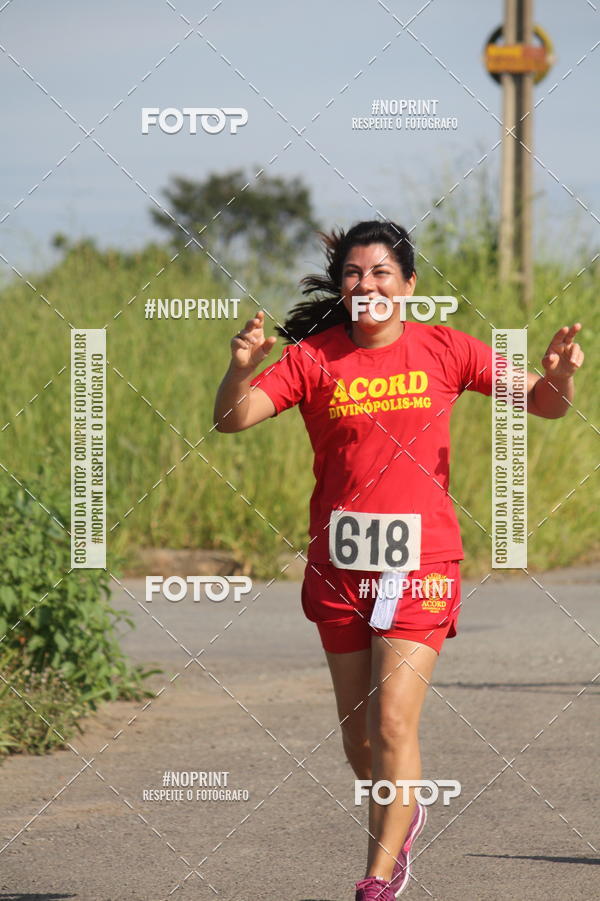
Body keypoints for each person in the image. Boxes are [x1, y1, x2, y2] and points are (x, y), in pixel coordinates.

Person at [213, 220, 584, 900]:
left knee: (392, 722)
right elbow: (234, 418)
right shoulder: (314, 358)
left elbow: (541, 403)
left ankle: (377, 878)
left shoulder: (447, 348)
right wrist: (239, 369)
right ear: (342, 285)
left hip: (423, 564)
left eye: (383, 272)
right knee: (361, 742)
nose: (368, 284)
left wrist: (557, 378)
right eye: (355, 273)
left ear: (409, 284)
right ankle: (404, 804)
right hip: (339, 565)